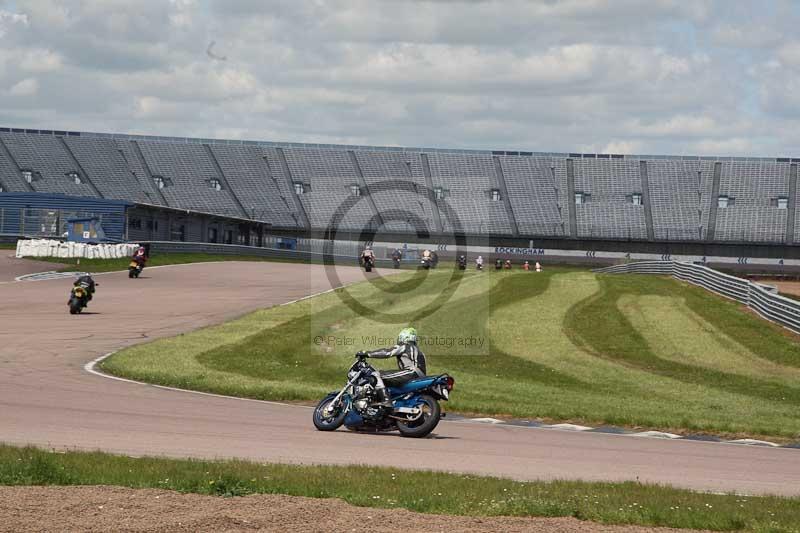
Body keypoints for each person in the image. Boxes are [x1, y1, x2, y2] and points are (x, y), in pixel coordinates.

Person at [358, 327, 426, 407]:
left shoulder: (404, 346)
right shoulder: (419, 351)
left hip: (411, 372)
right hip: (421, 376)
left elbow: (387, 353)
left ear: (404, 337)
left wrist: (367, 353)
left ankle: (386, 400)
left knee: (376, 374)